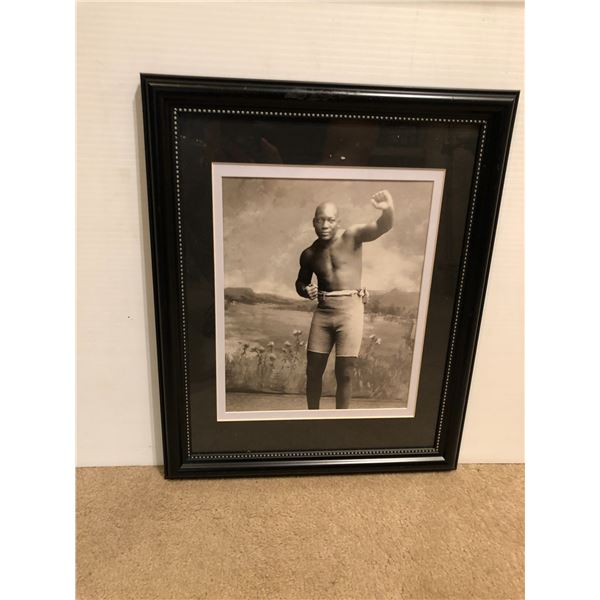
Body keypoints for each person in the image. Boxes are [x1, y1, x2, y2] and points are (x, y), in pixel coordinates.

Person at [295, 190, 395, 409]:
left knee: (345, 373)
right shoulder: (309, 253)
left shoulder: (352, 236)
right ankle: (312, 418)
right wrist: (305, 290)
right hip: (323, 312)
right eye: (320, 220)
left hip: (350, 312)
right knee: (313, 371)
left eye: (330, 220)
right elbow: (301, 282)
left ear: (338, 222)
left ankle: (340, 422)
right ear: (314, 222)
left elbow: (383, 226)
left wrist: (387, 209)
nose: (325, 225)